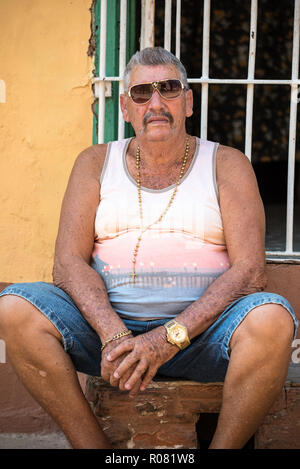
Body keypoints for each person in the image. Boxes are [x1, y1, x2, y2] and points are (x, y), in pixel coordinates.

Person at [0, 47, 298, 449]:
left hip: (205, 337)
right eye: (142, 93)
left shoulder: (227, 163)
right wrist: (113, 334)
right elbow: (68, 263)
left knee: (272, 319)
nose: (155, 103)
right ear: (126, 107)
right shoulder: (94, 162)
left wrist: (167, 338)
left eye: (169, 89)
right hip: (109, 337)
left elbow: (249, 271)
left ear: (188, 101)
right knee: (14, 307)